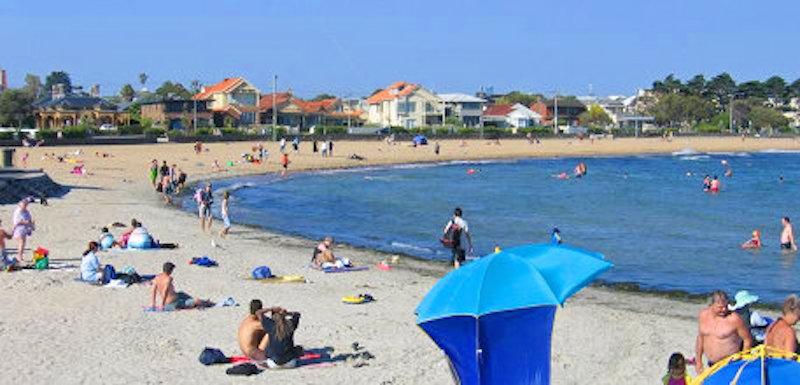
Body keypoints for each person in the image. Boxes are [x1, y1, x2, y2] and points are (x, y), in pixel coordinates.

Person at [695, 291, 752, 374]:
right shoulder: (703, 316)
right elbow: (700, 338)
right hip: (711, 364)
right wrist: (698, 361)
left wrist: (743, 358)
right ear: (711, 305)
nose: (724, 309)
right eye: (720, 307)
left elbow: (747, 339)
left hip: (730, 364)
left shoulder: (734, 319)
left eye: (726, 306)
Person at [12, 197, 35, 262]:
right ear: (20, 205)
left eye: (26, 205)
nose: (25, 206)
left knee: (22, 243)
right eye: (24, 205)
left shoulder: (26, 212)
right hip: (18, 229)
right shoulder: (18, 211)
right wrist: (26, 222)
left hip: (24, 229)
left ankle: (20, 256)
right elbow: (17, 222)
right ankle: (19, 256)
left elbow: (29, 220)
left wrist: (31, 226)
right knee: (21, 242)